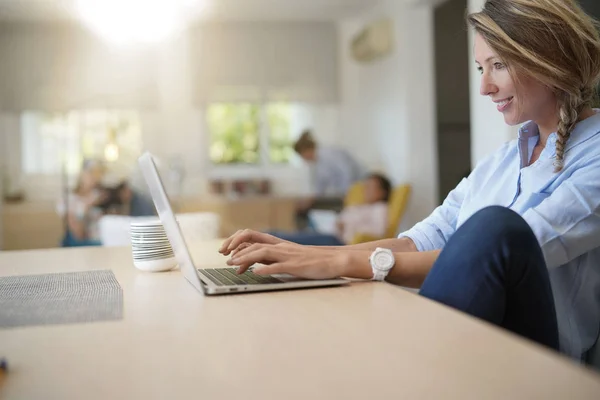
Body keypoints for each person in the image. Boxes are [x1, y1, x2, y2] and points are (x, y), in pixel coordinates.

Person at [218, 0, 600, 362]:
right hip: (469, 337)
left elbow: (511, 248)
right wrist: (306, 255)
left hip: (536, 356)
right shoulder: (501, 160)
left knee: (497, 228)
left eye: (498, 65)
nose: (485, 87)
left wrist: (345, 260)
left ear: (550, 58)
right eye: (481, 69)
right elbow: (426, 236)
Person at [273, 173, 391, 246]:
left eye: (370, 187)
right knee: (300, 234)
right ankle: (271, 235)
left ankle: (271, 238)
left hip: (339, 241)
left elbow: (379, 232)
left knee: (295, 240)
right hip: (330, 232)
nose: (366, 190)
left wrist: (346, 227)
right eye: (366, 187)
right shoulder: (360, 206)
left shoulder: (380, 208)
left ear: (382, 192)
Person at [294, 129, 365, 228]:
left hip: (358, 188)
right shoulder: (318, 164)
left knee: (325, 209)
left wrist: (348, 193)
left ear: (306, 150)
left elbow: (347, 171)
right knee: (305, 210)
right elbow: (320, 186)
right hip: (345, 193)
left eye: (302, 156)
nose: (304, 160)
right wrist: (311, 199)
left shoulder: (328, 154)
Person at [57, 160, 107, 247]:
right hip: (84, 245)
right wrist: (86, 207)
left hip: (102, 241)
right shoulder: (68, 200)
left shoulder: (100, 196)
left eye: (99, 174)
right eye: (91, 173)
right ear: (81, 174)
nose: (95, 178)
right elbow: (79, 234)